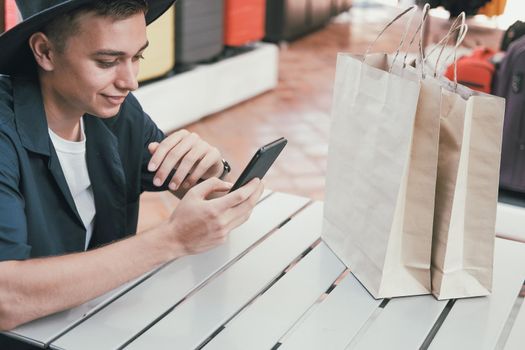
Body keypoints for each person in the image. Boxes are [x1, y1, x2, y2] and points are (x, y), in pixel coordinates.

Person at [0, 0, 264, 347]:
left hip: (94, 329)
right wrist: (172, 239)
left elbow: (201, 198)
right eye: (107, 61)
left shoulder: (116, 113)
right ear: (45, 51)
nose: (130, 81)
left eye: (137, 56)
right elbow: (6, 298)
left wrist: (211, 172)